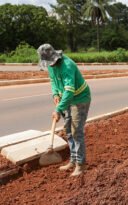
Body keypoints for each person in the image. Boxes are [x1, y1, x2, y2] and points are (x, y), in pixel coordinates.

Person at [37, 44, 91, 177]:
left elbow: (69, 90)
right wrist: (55, 94)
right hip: (66, 99)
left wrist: (58, 108)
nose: (50, 65)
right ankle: (73, 160)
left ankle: (81, 165)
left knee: (76, 132)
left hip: (80, 99)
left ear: (55, 57)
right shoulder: (51, 66)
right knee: (68, 130)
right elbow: (53, 81)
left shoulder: (67, 65)